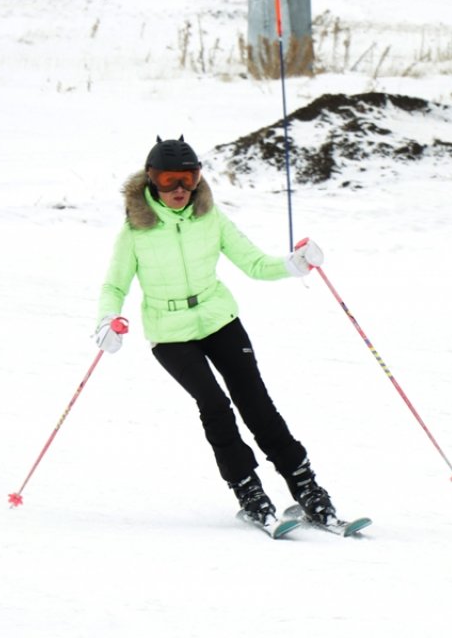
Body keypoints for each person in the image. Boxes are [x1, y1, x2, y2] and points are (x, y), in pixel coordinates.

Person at [93, 135, 337, 527]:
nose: (179, 189)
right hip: (170, 333)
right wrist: (108, 319)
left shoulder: (210, 217)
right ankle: (248, 489)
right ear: (151, 179)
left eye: (188, 179)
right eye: (169, 179)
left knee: (256, 403)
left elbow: (255, 263)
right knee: (215, 405)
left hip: (219, 319)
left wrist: (294, 264)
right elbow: (114, 286)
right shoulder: (135, 231)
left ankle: (306, 486)